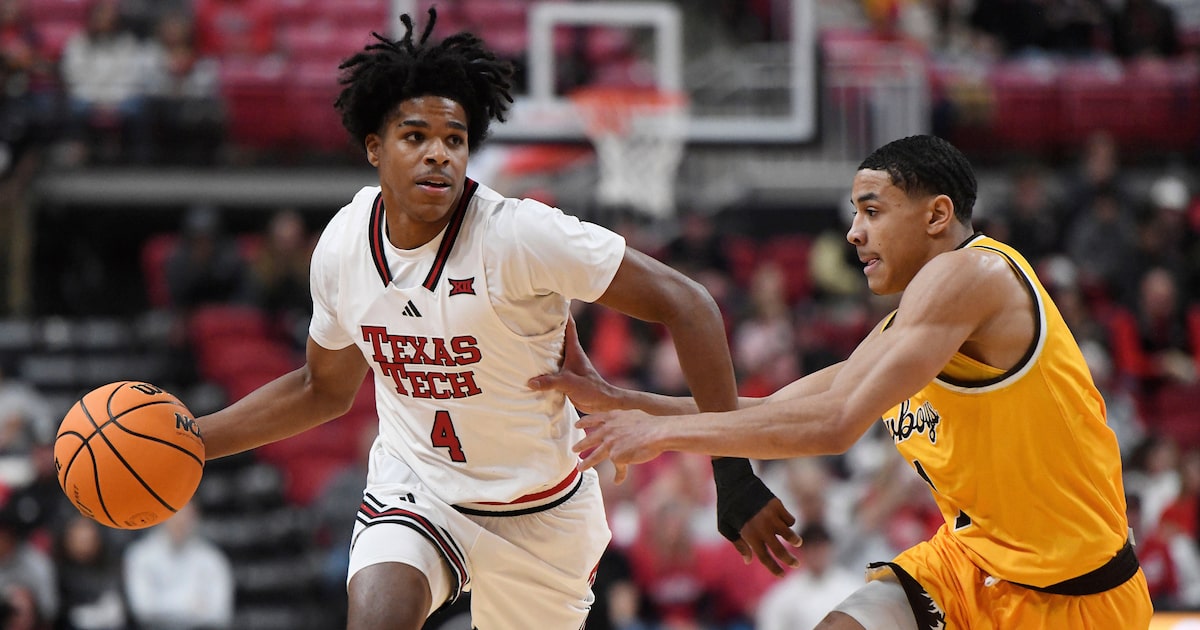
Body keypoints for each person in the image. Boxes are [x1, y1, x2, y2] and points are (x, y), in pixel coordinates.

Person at [192, 9, 793, 630]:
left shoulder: (519, 235)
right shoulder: (345, 246)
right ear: (374, 147)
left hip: (542, 512)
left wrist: (732, 473)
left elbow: (689, 305)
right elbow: (322, 389)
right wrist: (193, 441)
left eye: (454, 140)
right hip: (419, 489)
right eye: (415, 137)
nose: (438, 154)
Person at [532, 135, 1154, 629]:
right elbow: (772, 409)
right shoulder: (907, 327)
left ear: (938, 215)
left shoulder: (973, 276)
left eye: (872, 211)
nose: (854, 232)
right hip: (969, 565)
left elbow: (835, 425)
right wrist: (627, 401)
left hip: (1077, 598)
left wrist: (660, 437)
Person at [122, 503, 234, 630]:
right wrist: (191, 604)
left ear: (195, 517)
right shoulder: (140, 555)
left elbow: (219, 613)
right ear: (162, 516)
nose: (180, 521)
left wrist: (163, 603)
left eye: (186, 515)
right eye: (175, 515)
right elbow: (143, 609)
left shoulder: (212, 559)